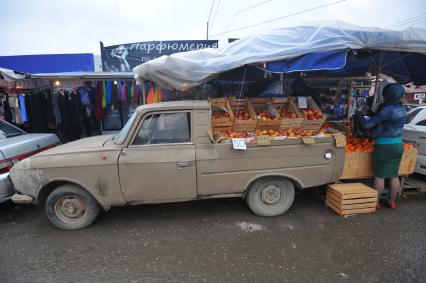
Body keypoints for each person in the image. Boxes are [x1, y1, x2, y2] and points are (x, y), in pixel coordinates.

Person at [355, 83, 407, 209]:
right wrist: (371, 113)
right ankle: (391, 201)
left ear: (387, 95)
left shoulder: (387, 109)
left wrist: (359, 115)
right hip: (398, 145)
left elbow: (368, 125)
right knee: (394, 175)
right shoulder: (402, 109)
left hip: (384, 146)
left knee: (380, 176)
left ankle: (376, 202)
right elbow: (384, 120)